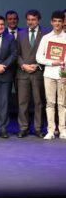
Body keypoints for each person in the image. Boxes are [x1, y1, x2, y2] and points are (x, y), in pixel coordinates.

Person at [16, 9, 49, 138]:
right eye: (29, 19)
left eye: (33, 19)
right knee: (22, 102)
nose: (31, 22)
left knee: (38, 102)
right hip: (23, 73)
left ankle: (38, 128)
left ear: (38, 20)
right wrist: (23, 65)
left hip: (38, 73)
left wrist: (38, 65)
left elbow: (48, 53)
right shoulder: (20, 33)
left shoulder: (46, 33)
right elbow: (16, 53)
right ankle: (23, 128)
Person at [36, 10, 66, 140]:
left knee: (62, 104)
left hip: (63, 75)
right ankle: (51, 130)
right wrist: (53, 62)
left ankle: (63, 130)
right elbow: (39, 57)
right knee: (50, 103)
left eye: (60, 21)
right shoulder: (46, 38)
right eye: (55, 21)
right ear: (51, 22)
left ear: (63, 22)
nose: (57, 23)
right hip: (48, 74)